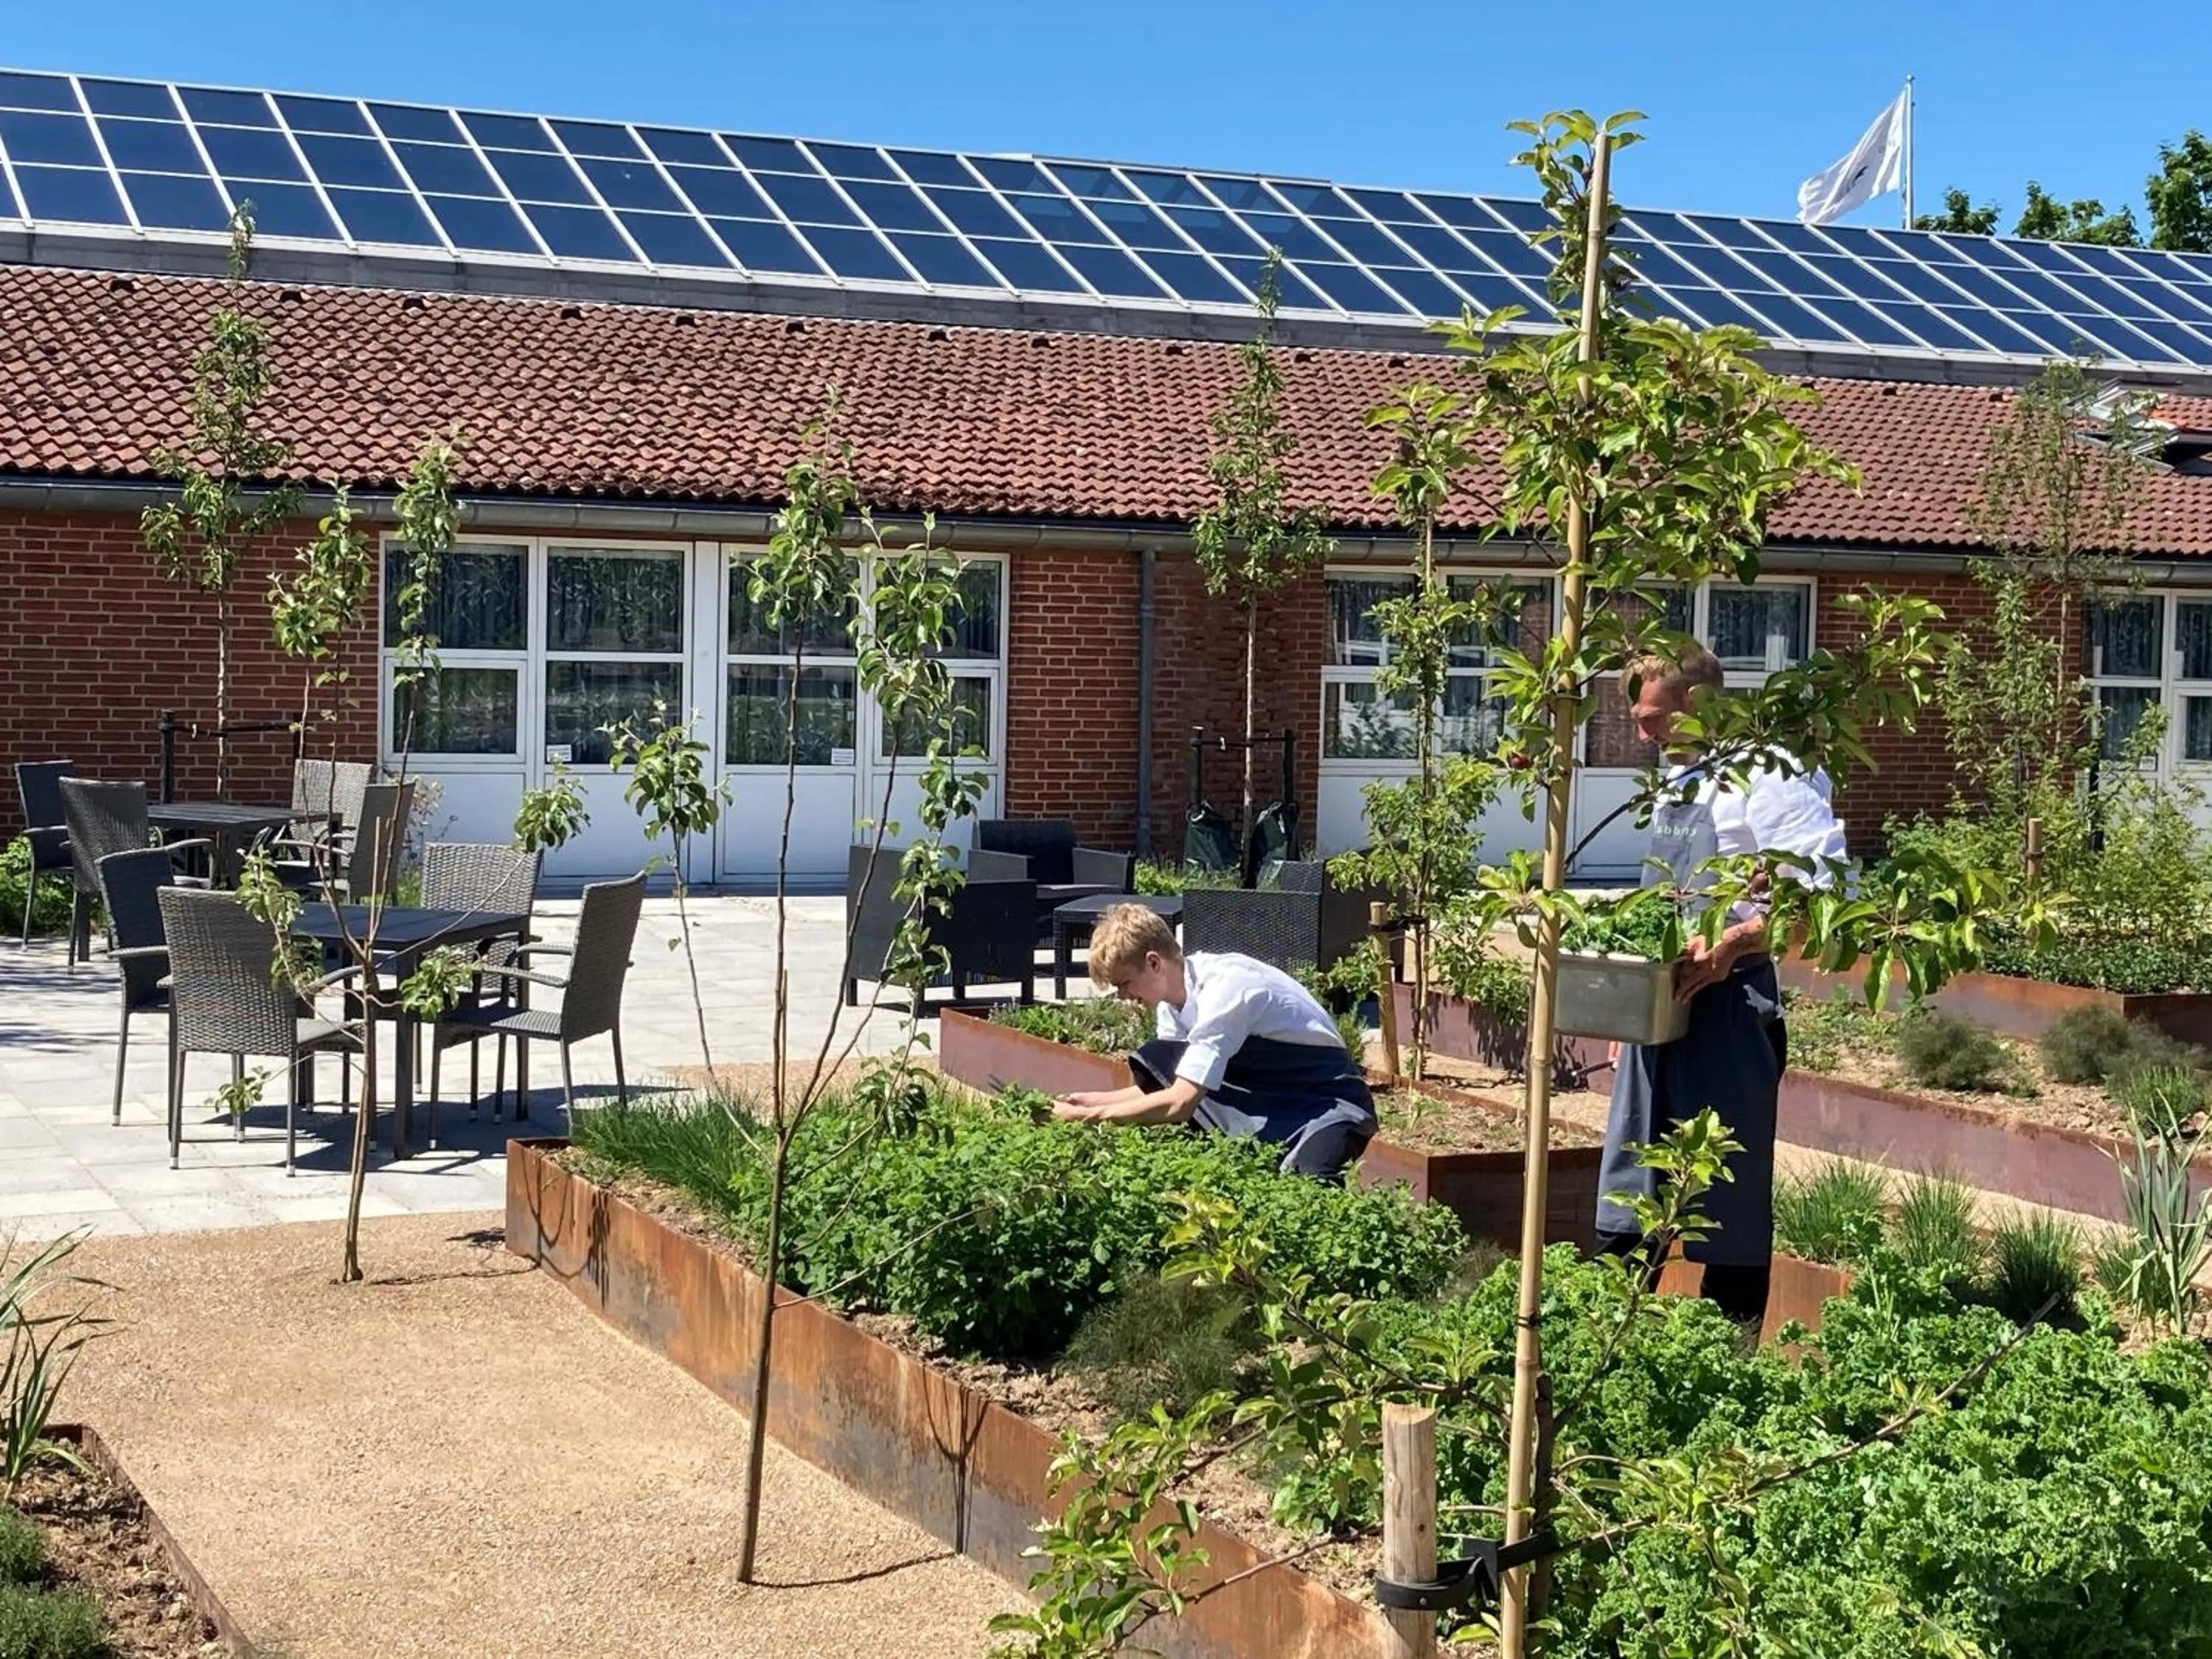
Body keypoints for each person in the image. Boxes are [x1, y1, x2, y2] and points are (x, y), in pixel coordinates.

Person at [1595, 645, 1846, 1325]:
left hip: (1731, 1009)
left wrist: (1735, 942)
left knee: (1726, 1203)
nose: (1643, 734)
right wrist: (1629, 1010)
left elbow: (1822, 896)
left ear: (1699, 703)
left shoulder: (1773, 775)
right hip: (1658, 1014)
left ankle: (1726, 1358)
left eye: (1653, 718)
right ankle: (1602, 1347)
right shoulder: (1679, 777)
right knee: (1629, 1194)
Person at [1051, 904, 1377, 1181]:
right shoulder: (1172, 1003)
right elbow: (1167, 1084)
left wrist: (1085, 1118)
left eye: (1124, 983)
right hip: (1267, 1093)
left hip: (1326, 1101)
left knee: (1309, 1182)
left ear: (1153, 963)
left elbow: (1180, 1103)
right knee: (1161, 1058)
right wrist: (1088, 1101)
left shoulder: (1226, 991)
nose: (1122, 996)